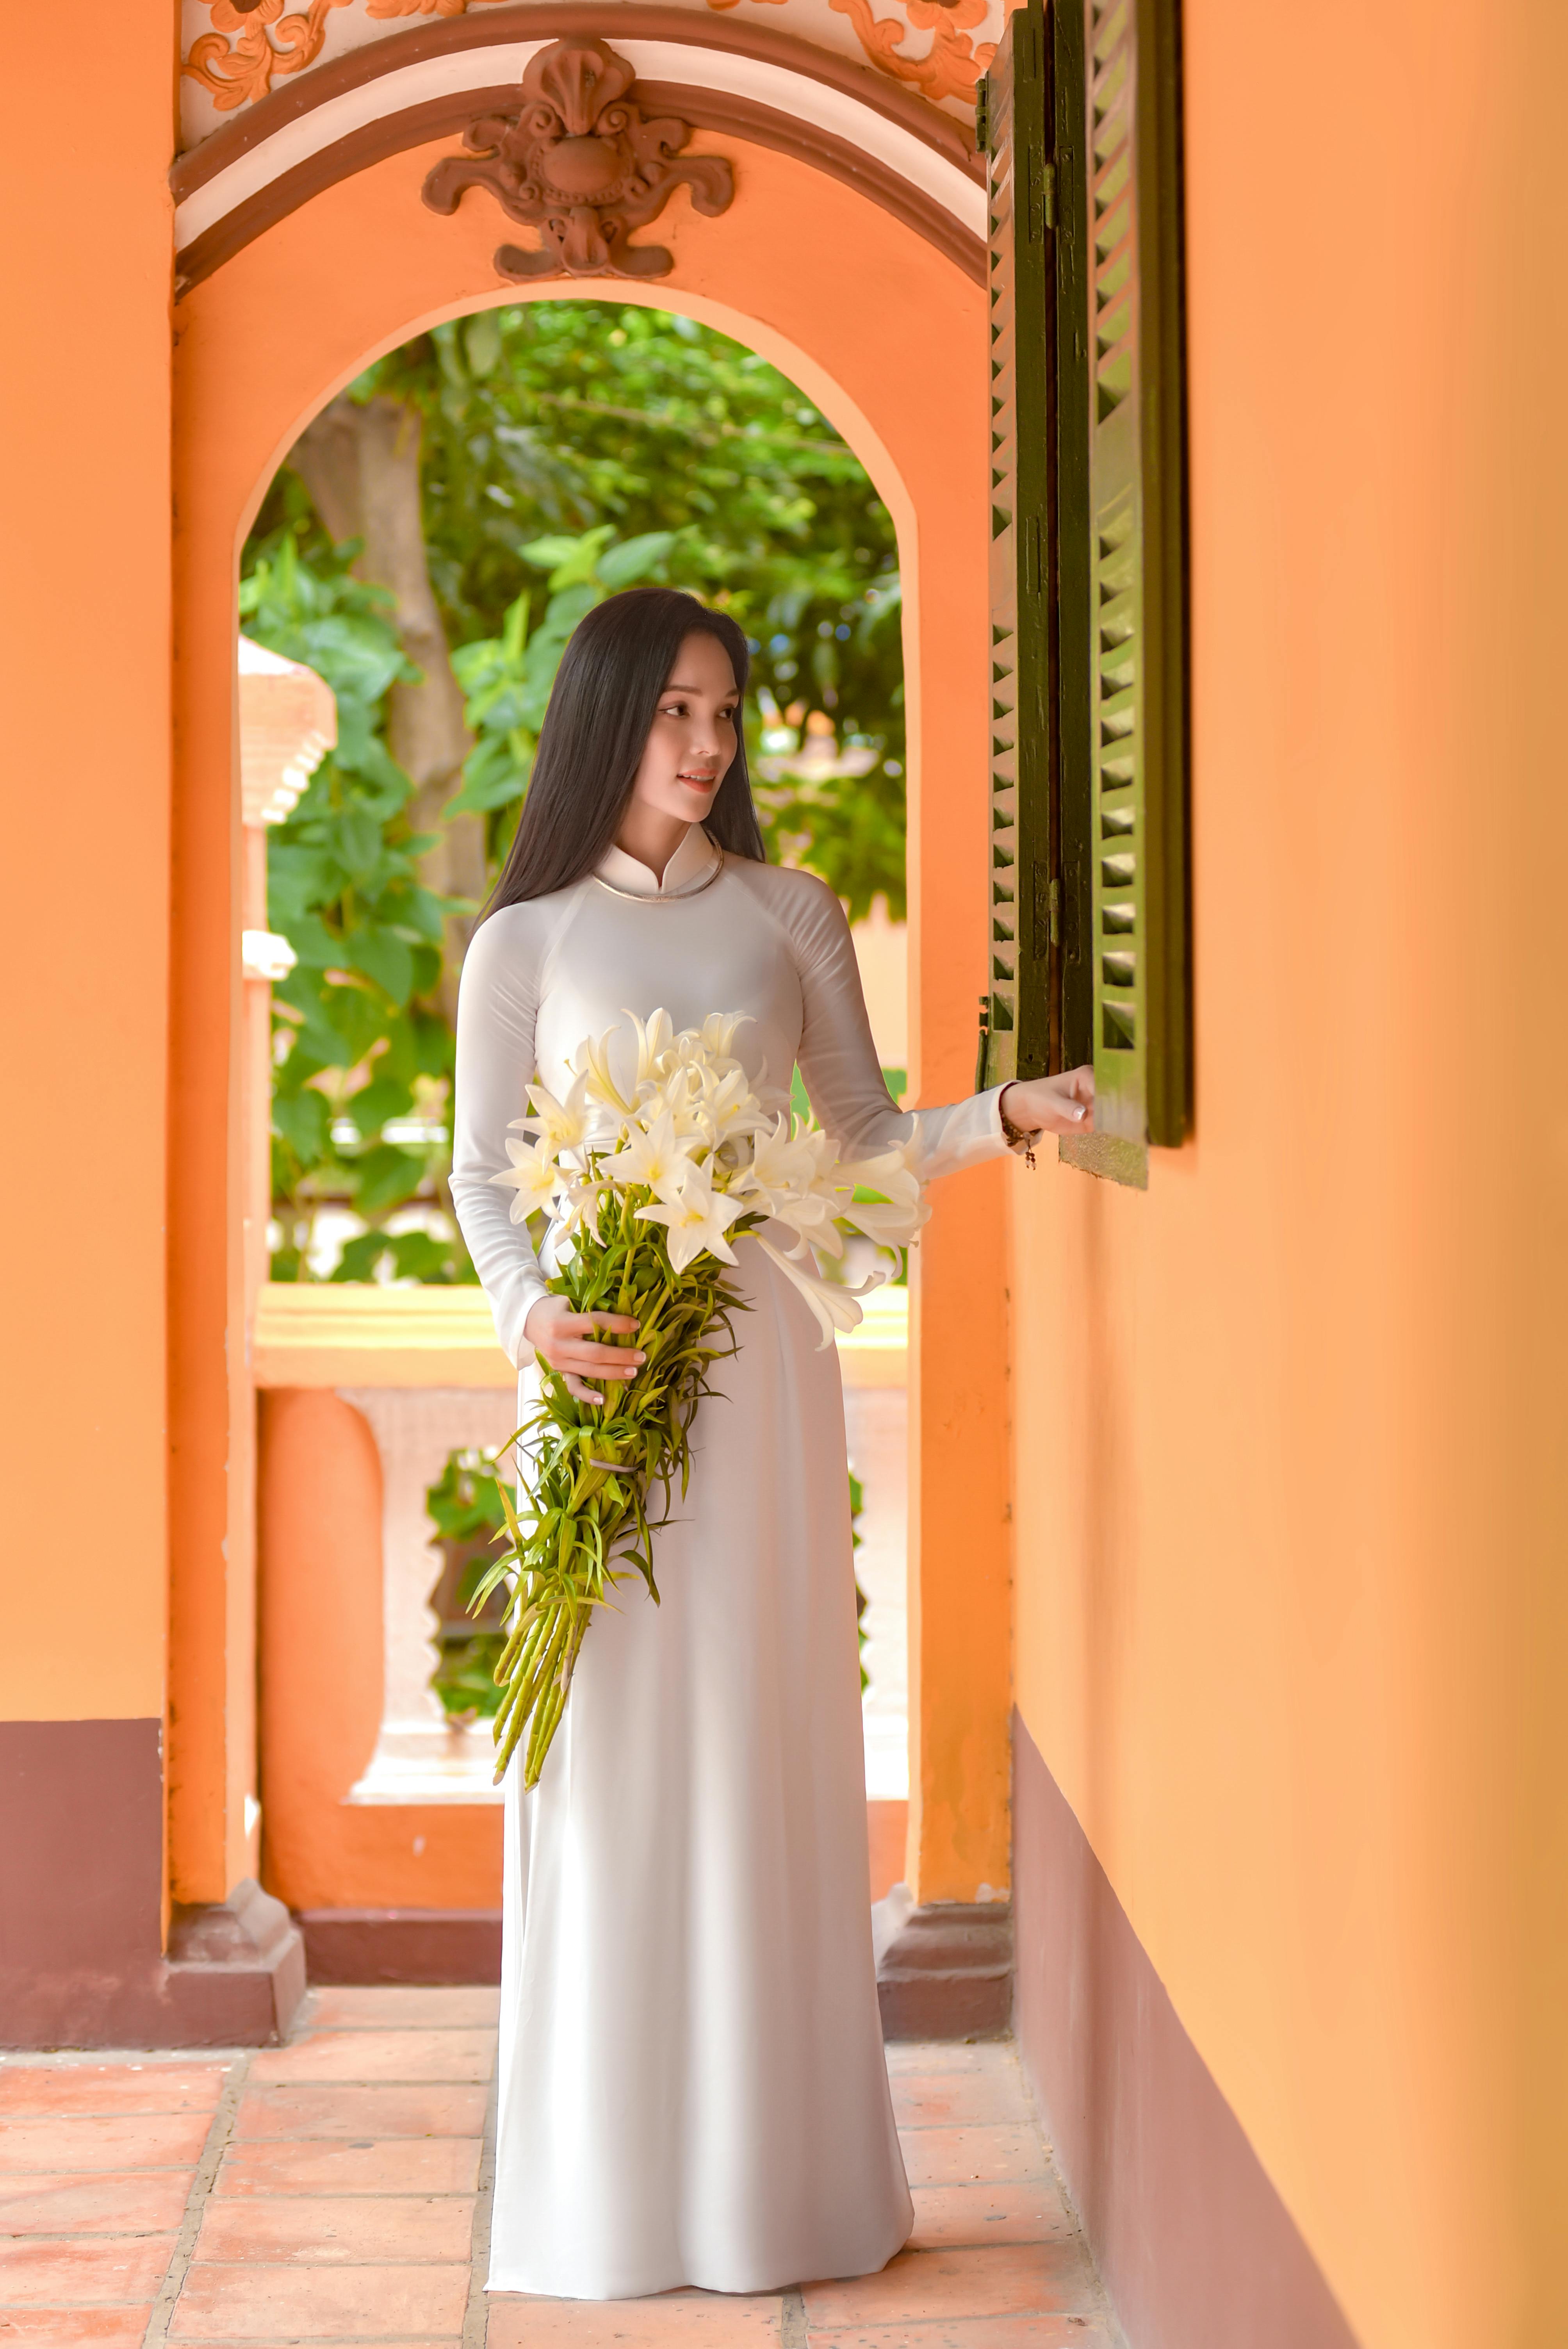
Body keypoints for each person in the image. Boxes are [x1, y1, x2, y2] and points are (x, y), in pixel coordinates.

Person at [451, 586, 1093, 2301]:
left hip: (755, 1386)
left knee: (755, 1740)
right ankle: (601, 2195)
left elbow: (863, 1136)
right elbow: (483, 1182)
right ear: (605, 718)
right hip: (588, 1389)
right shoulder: (523, 946)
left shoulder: (785, 913)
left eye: (722, 712)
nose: (705, 743)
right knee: (599, 1762)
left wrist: (1007, 1115)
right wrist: (531, 1320)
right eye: (672, 710)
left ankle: (772, 2188)